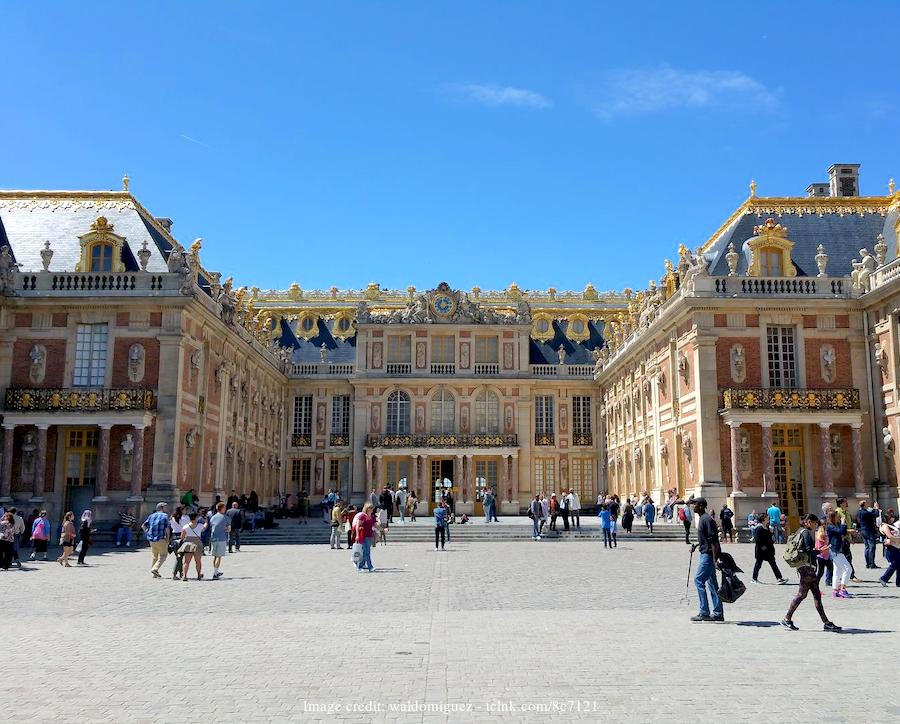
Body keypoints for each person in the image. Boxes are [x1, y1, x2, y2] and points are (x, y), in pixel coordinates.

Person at [781, 514, 841, 631]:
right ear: (808, 522)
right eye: (814, 524)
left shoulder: (800, 531)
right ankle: (787, 619)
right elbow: (808, 550)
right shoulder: (806, 533)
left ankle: (826, 622)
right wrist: (820, 550)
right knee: (802, 595)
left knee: (816, 595)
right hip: (807, 568)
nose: (815, 526)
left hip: (804, 567)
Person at [691, 498, 724, 623]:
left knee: (698, 580)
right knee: (712, 584)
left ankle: (704, 611)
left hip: (708, 556)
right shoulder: (703, 518)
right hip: (706, 553)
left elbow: (714, 541)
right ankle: (718, 612)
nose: (693, 506)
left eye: (695, 504)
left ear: (700, 505)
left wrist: (715, 560)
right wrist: (696, 545)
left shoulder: (706, 519)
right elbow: (705, 540)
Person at [751, 515, 787, 584]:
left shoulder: (767, 527)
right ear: (763, 519)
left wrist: (771, 532)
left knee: (773, 564)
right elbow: (757, 539)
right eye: (767, 518)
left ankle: (779, 578)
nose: (768, 519)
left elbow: (769, 537)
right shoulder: (759, 528)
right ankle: (754, 578)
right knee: (758, 564)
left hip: (769, 550)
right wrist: (763, 547)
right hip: (761, 550)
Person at [141, 502, 171, 578]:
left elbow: (143, 526)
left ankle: (154, 573)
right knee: (163, 555)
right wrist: (168, 538)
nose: (167, 508)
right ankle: (155, 568)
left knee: (154, 556)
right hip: (161, 538)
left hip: (151, 539)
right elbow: (167, 528)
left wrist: (147, 532)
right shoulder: (165, 515)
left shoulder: (151, 515)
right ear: (162, 507)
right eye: (165, 507)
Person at [826, 511, 852, 598]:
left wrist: (842, 525)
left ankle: (835, 590)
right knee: (848, 569)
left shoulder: (834, 525)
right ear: (833, 517)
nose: (839, 517)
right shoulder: (830, 526)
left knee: (837, 571)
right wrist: (843, 523)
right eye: (837, 516)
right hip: (835, 551)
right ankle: (842, 589)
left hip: (837, 550)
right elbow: (841, 532)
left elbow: (843, 533)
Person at [835, 497, 858, 582]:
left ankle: (848, 575)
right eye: (845, 502)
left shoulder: (847, 512)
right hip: (841, 539)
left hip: (847, 538)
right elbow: (839, 528)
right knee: (847, 557)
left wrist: (851, 537)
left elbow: (849, 524)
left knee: (847, 557)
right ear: (841, 503)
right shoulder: (837, 512)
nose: (847, 503)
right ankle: (851, 576)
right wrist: (851, 532)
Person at [179, 512, 206, 580]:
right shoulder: (200, 525)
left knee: (186, 562)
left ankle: (185, 576)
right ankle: (199, 575)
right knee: (198, 561)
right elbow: (204, 528)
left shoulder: (185, 526)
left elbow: (182, 537)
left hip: (188, 544)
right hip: (197, 544)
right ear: (196, 518)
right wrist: (207, 522)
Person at [208, 502, 229, 579]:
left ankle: (215, 571)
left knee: (215, 556)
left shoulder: (213, 517)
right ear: (222, 508)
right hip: (221, 538)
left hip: (213, 538)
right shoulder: (225, 517)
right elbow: (228, 529)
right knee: (219, 556)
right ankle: (215, 572)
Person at [856, 500, 880, 569]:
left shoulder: (860, 512)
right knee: (871, 547)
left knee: (867, 547)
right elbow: (876, 515)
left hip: (863, 530)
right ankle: (871, 564)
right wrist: (876, 508)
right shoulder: (865, 512)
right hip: (869, 531)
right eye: (867, 503)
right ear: (864, 504)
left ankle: (868, 563)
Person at [354, 503, 376, 571]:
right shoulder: (362, 516)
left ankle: (360, 566)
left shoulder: (371, 517)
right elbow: (357, 526)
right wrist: (357, 535)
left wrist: (382, 529)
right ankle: (370, 567)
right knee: (366, 551)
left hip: (369, 536)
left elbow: (375, 525)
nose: (371, 509)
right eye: (370, 508)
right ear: (367, 508)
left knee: (365, 552)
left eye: (372, 508)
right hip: (362, 535)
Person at [879, 518, 900, 587]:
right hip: (890, 548)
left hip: (895, 547)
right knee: (894, 564)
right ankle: (884, 578)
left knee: (898, 564)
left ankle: (898, 582)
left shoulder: (892, 527)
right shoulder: (884, 526)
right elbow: (890, 536)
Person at [815, 518, 833, 587]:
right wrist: (828, 546)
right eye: (824, 524)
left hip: (827, 555)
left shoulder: (825, 532)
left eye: (826, 524)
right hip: (821, 556)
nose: (826, 525)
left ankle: (829, 581)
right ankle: (815, 583)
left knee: (831, 569)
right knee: (820, 572)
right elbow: (820, 548)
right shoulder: (820, 534)